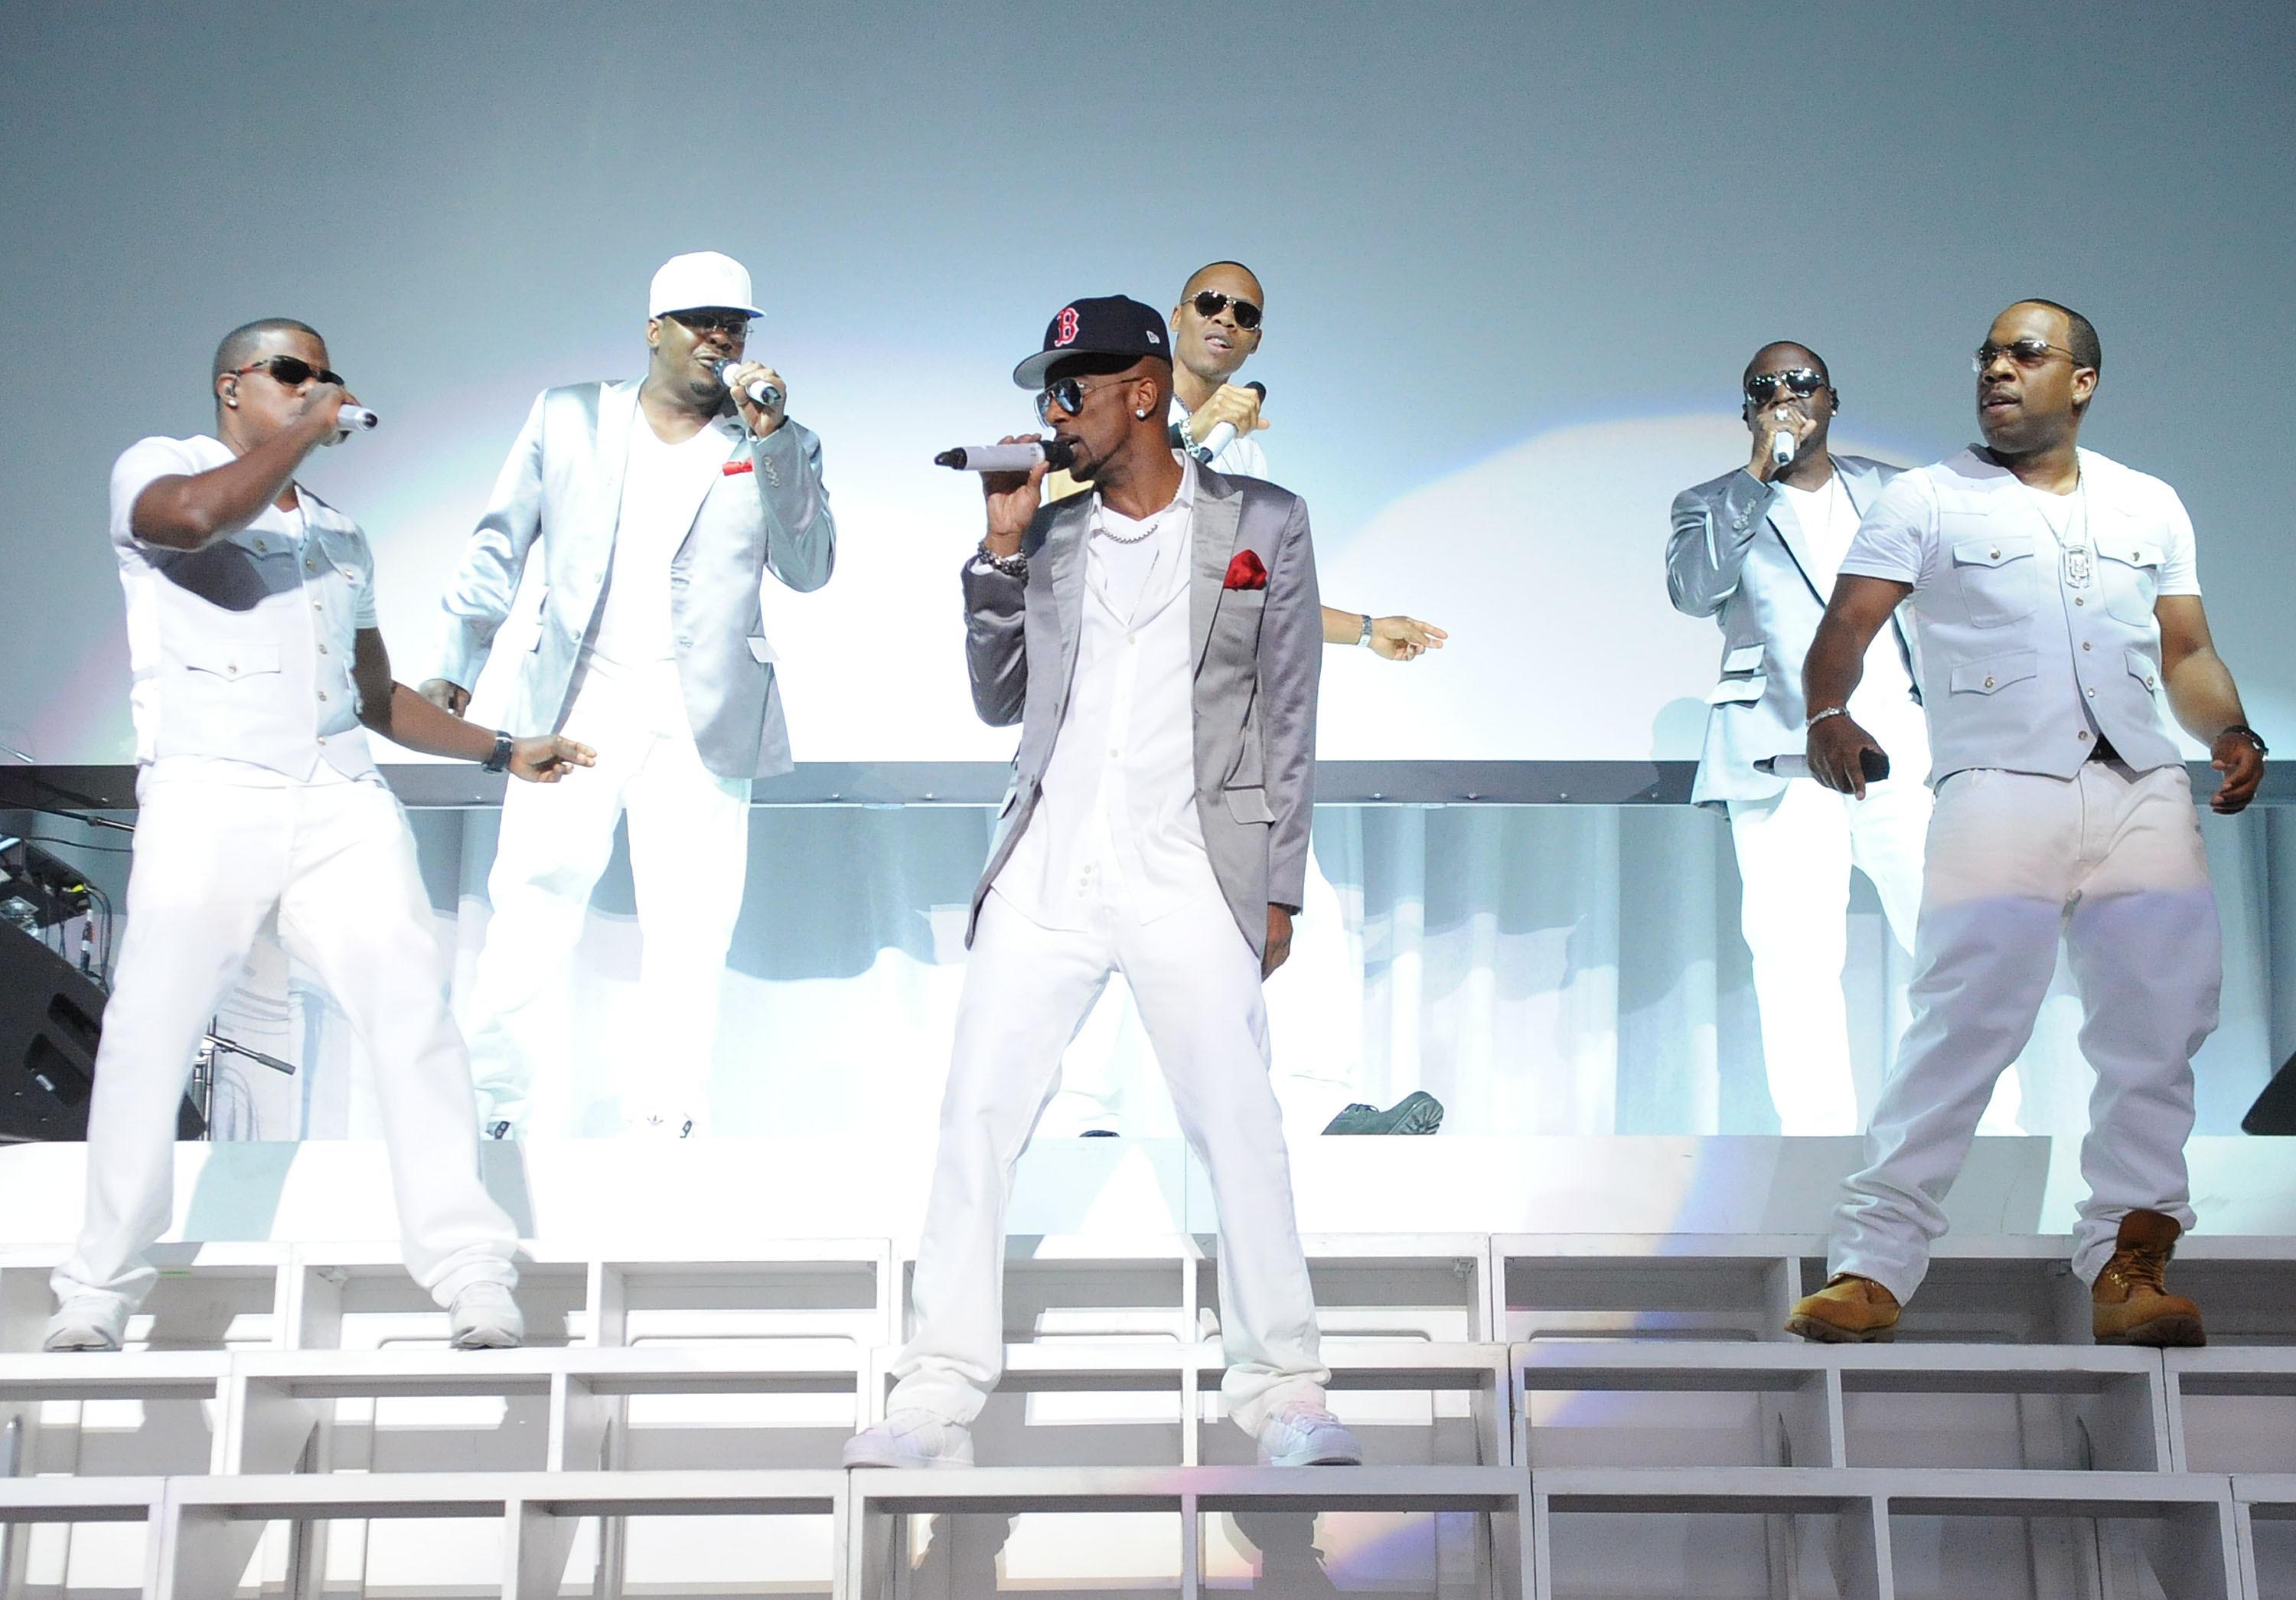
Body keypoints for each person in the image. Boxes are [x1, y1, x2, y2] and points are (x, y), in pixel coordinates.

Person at [843, 296, 1359, 1469]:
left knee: (1240, 1122)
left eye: (1071, 390)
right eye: (1046, 392)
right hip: (1048, 870)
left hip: (1192, 867)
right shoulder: (1056, 537)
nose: (1052, 413)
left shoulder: (1264, 521)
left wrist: (1276, 882)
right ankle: (935, 1392)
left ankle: (1286, 1389)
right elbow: (997, 694)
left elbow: (1289, 707)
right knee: (977, 1114)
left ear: (1145, 389)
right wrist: (1001, 551)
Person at [45, 318, 592, 1353]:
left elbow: (376, 692)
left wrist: (499, 747)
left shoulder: (339, 532)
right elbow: (198, 520)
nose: (313, 389)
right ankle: (100, 1288)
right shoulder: (163, 468)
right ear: (231, 385)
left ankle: (471, 1265)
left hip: (338, 796)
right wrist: (302, 433)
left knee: (412, 1014)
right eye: (292, 372)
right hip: (211, 791)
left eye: (326, 376)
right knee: (151, 1031)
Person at [1787, 300, 2265, 1346]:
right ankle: (1873, 1261)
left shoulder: (2150, 504)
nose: (1997, 369)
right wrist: (1830, 712)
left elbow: (2185, 650)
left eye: (2026, 354)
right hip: (1999, 787)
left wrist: (2227, 726)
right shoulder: (1926, 499)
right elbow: (1846, 629)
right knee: (1965, 1024)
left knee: (2158, 1030)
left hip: (2143, 786)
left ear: (2082, 382)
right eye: (1989, 354)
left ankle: (2128, 1263)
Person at [421, 253, 835, 1138]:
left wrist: (771, 439)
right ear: (656, 329)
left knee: (692, 920)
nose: (722, 337)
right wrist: (457, 658)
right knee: (532, 897)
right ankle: (488, 1108)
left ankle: (668, 1115)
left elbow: (809, 567)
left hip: (703, 709)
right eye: (701, 320)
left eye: (737, 323)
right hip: (579, 699)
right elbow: (500, 542)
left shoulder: (775, 440)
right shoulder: (568, 416)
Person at [1047, 261, 1450, 1139]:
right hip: (1114, 718)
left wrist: (1369, 626)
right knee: (1099, 903)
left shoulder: (1247, 452)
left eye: (1246, 314)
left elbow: (1259, 591)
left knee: (1298, 894)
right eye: (1211, 304)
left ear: (1257, 339)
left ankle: (1319, 1105)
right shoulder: (1102, 400)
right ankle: (1076, 1117)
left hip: (1213, 725)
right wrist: (1194, 443)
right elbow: (1061, 512)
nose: (1226, 320)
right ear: (1177, 317)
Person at [1665, 343, 1935, 1135]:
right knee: (1795, 962)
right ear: (1748, 410)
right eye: (1766, 389)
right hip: (1781, 752)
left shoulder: (1894, 490)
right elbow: (1694, 591)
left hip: (1901, 750)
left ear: (1833, 397)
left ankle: (1991, 1136)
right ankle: (1819, 1147)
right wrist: (1755, 475)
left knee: (1951, 950)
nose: (1786, 396)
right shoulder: (1712, 499)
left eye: (1802, 383)